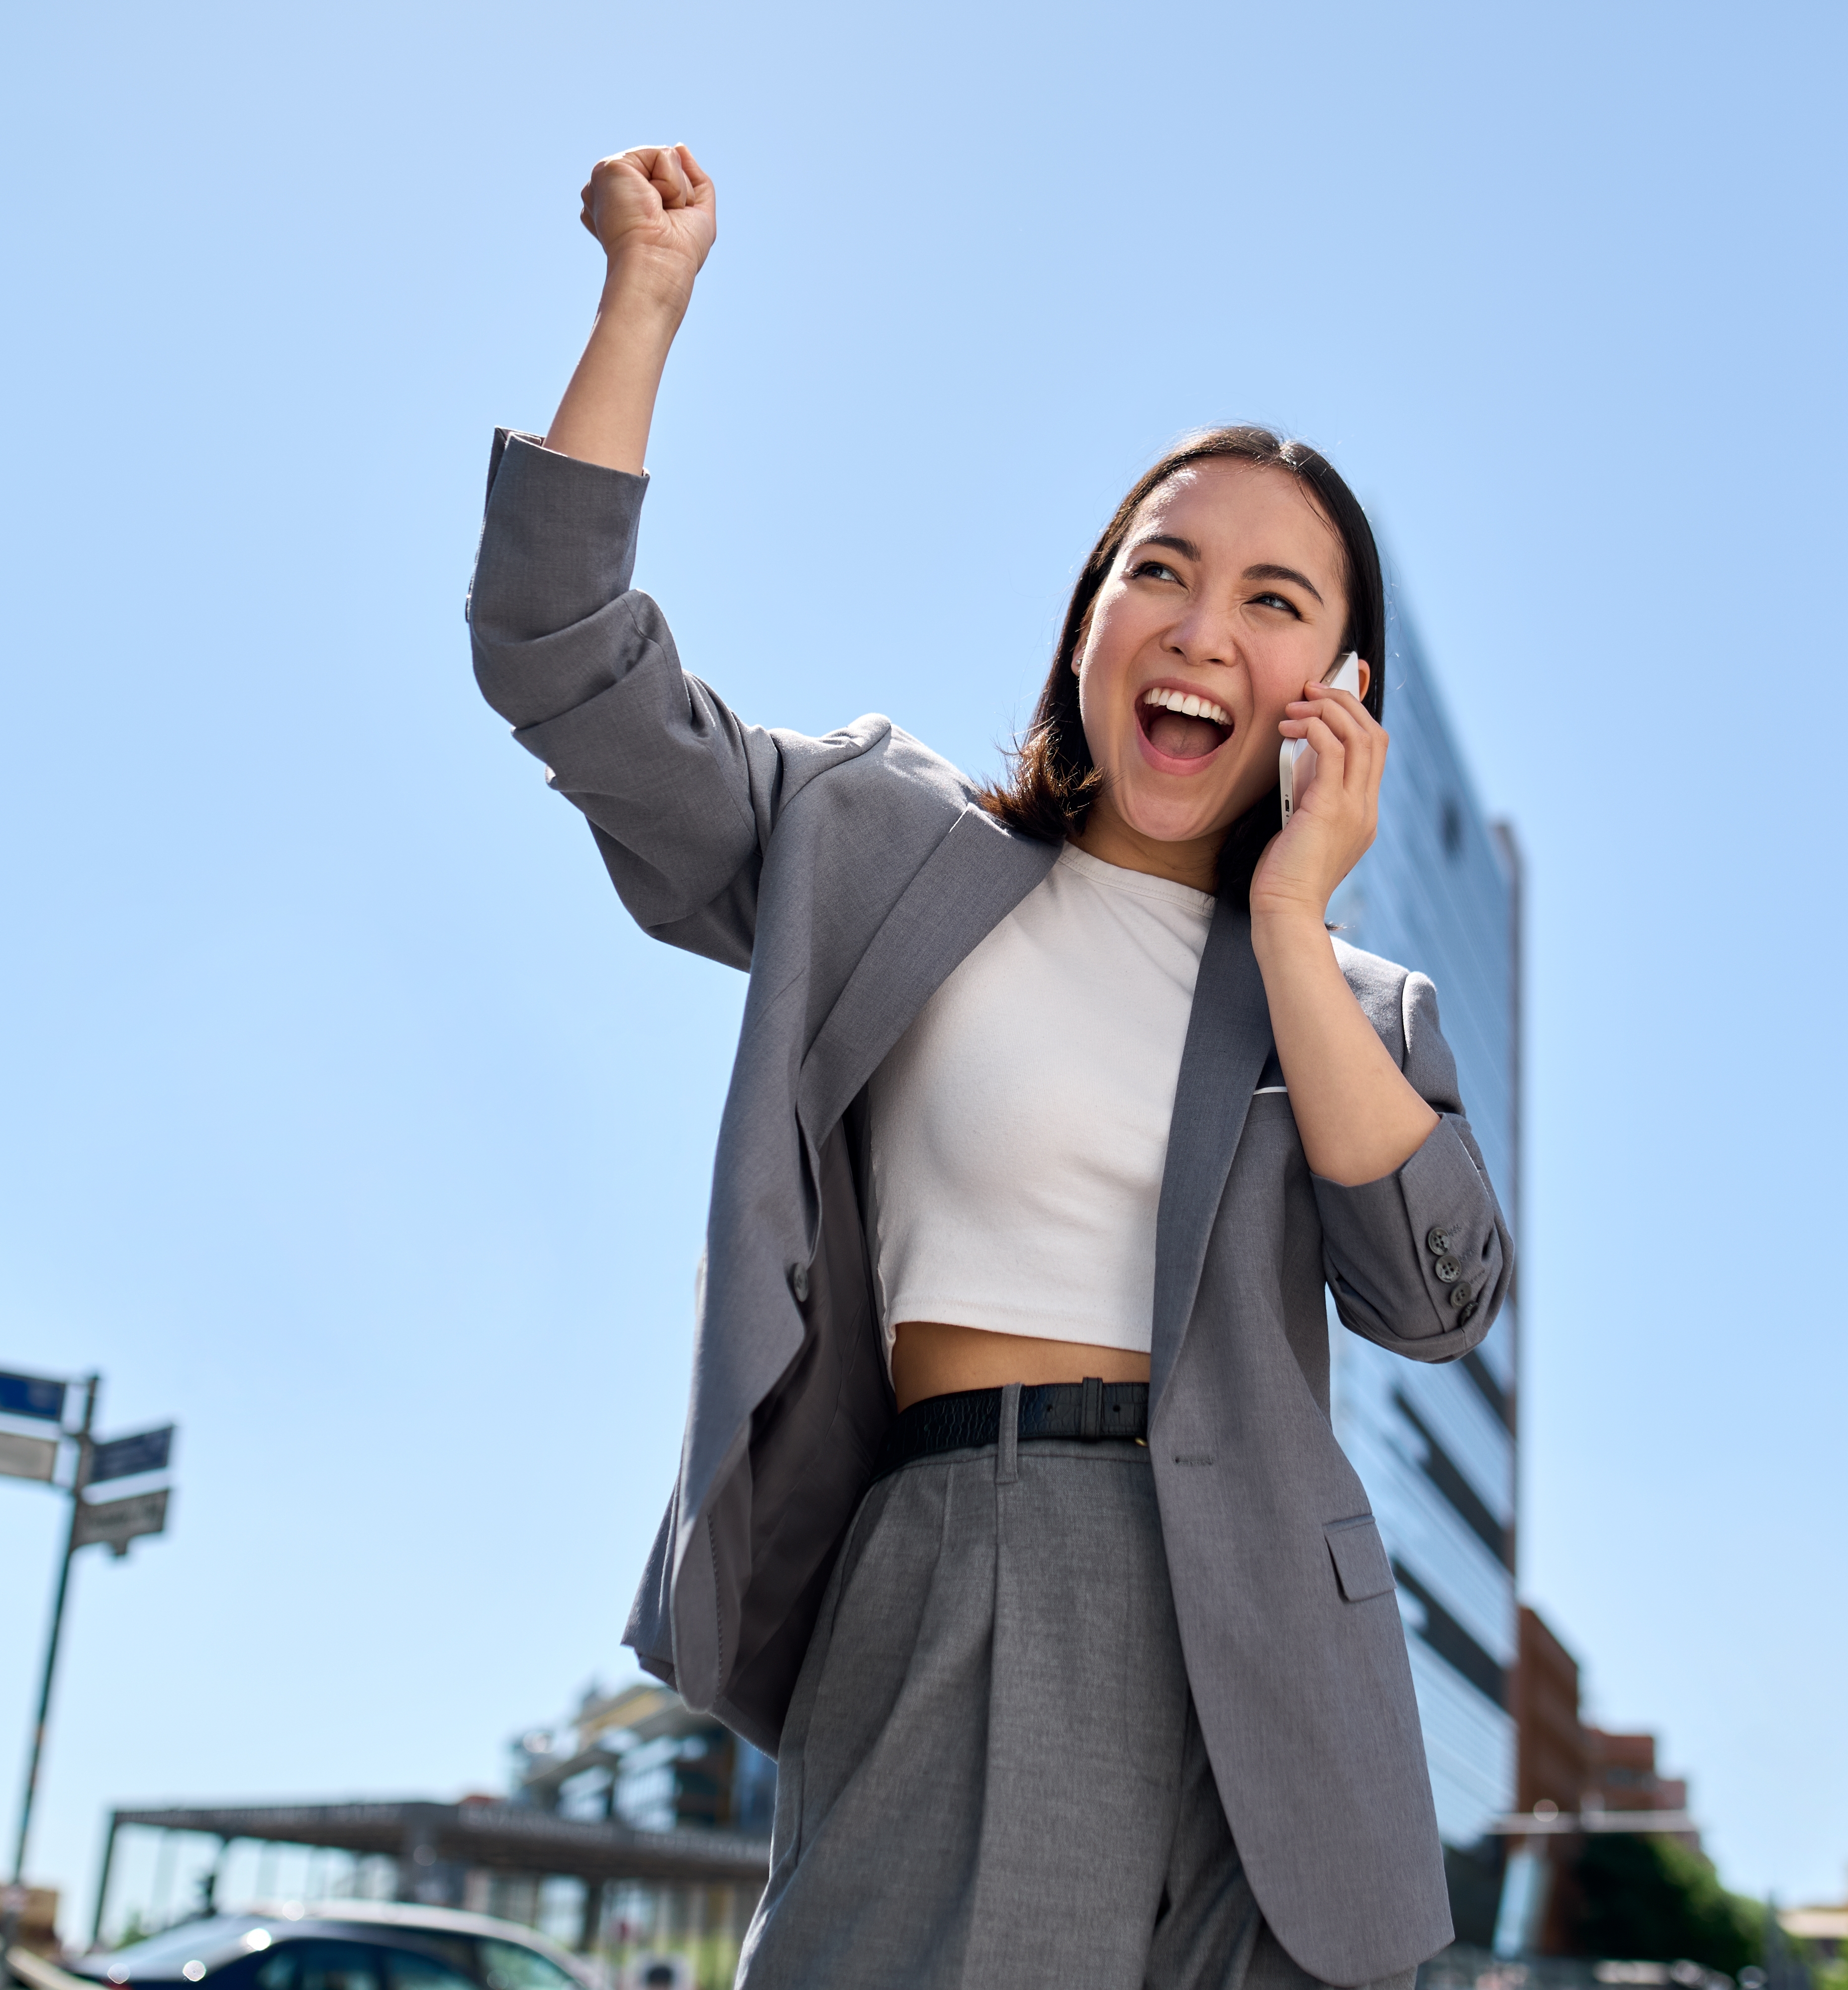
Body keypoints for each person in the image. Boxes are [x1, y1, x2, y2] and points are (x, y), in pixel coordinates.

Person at [467, 143, 1509, 1990]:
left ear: (1340, 690)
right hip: (965, 1554)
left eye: (1279, 603)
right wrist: (645, 301)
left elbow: (1435, 1299)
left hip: (1277, 1652)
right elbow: (564, 666)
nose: (1205, 625)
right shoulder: (877, 847)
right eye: (1161, 571)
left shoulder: (1358, 1003)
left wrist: (1286, 927)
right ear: (1092, 620)